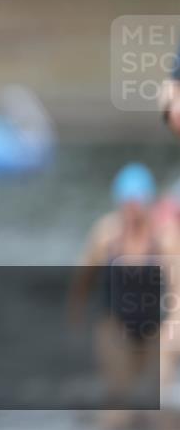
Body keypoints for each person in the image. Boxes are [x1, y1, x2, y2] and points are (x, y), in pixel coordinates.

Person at [70, 163, 166, 428]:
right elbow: (84, 276)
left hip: (152, 329)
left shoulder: (162, 237)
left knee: (154, 405)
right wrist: (76, 309)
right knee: (119, 405)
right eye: (128, 202)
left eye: (138, 202)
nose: (133, 209)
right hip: (114, 327)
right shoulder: (105, 233)